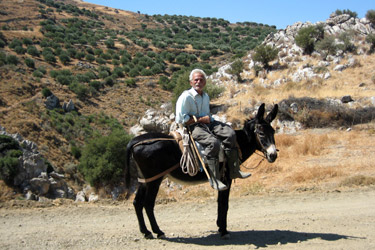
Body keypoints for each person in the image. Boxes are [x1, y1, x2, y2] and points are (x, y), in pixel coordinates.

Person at [175, 69, 251, 191]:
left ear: (204, 82)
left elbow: (207, 114)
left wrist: (207, 119)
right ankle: (214, 179)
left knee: (230, 134)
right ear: (191, 82)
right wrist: (200, 119)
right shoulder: (185, 97)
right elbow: (181, 119)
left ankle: (234, 170)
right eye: (196, 80)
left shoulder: (205, 96)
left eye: (201, 80)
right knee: (213, 143)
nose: (198, 82)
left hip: (208, 123)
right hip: (192, 126)